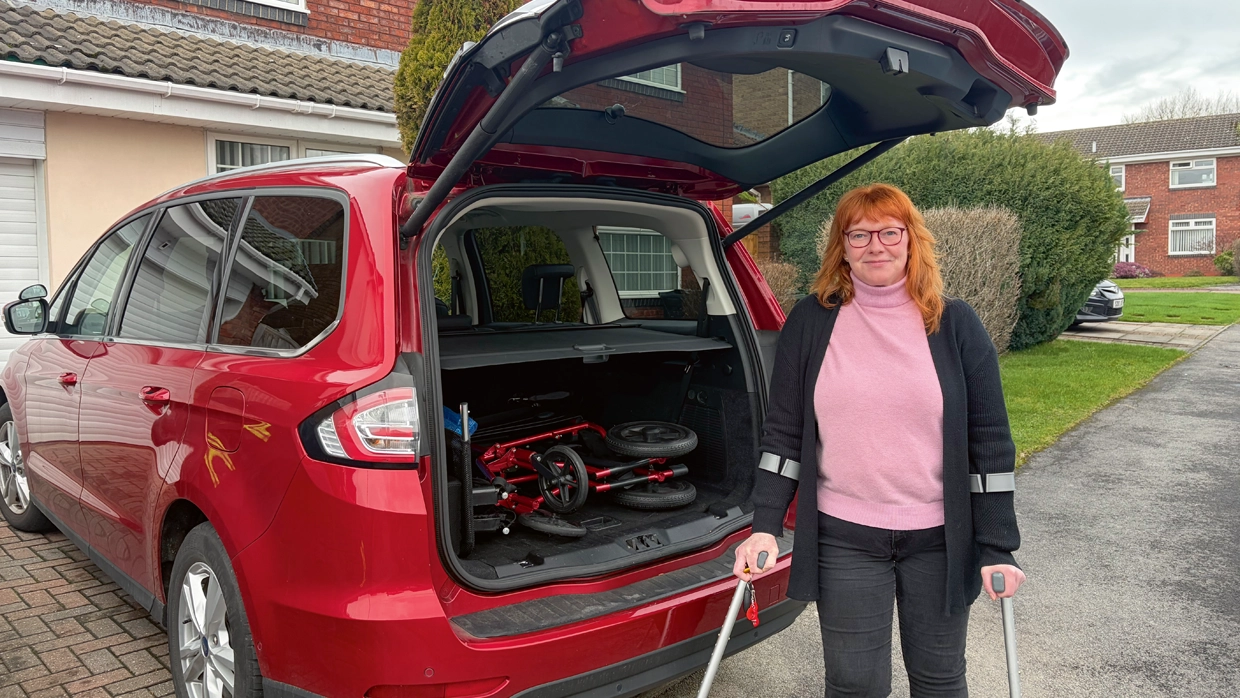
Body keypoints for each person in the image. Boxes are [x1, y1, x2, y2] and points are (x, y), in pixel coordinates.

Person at [734, 183, 1024, 697]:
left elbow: (990, 444)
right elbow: (783, 434)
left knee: (939, 681)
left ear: (911, 240)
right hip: (845, 537)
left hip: (938, 538)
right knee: (853, 685)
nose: (876, 245)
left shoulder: (955, 324)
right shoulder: (811, 321)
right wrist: (764, 525)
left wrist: (997, 546)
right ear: (841, 247)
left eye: (890, 231)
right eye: (859, 234)